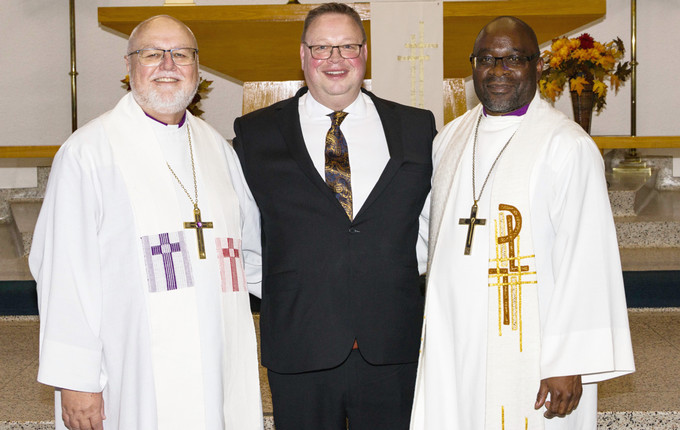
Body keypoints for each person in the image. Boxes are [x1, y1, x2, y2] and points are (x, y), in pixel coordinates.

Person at [30, 15, 263, 430]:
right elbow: (63, 274)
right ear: (129, 66)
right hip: (134, 366)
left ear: (197, 67)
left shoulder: (218, 148)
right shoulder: (89, 152)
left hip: (220, 357)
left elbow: (251, 251)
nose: (168, 65)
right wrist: (76, 380)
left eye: (182, 55)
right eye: (153, 54)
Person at [411, 16, 635, 430]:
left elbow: (586, 259)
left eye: (514, 59)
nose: (498, 72)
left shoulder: (566, 146)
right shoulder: (450, 138)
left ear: (538, 66)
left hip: (530, 350)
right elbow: (428, 236)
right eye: (487, 60)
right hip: (452, 342)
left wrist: (570, 360)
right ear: (472, 65)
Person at [232, 3, 436, 429]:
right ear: (303, 54)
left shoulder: (416, 128)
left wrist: (386, 278)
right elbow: (246, 236)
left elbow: (430, 223)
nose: (336, 59)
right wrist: (293, 296)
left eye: (347, 46)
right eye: (322, 48)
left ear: (365, 53)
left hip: (391, 345)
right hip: (301, 344)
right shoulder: (256, 134)